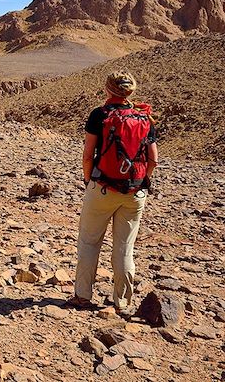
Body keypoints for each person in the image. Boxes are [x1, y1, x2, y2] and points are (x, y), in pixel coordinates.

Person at [66, 71, 158, 314]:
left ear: (108, 90)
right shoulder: (144, 117)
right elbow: (153, 159)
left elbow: (88, 155)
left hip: (102, 188)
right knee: (125, 247)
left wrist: (89, 181)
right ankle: (123, 302)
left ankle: (82, 296)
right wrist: (141, 181)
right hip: (135, 191)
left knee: (89, 242)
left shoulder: (100, 115)